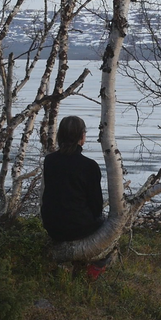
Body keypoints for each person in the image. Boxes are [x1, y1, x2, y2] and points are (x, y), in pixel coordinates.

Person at [41, 116, 111, 279]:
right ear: (82, 137)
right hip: (78, 227)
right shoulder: (89, 166)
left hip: (52, 226)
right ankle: (94, 270)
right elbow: (96, 206)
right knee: (113, 228)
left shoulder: (50, 160)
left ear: (60, 136)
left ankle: (76, 266)